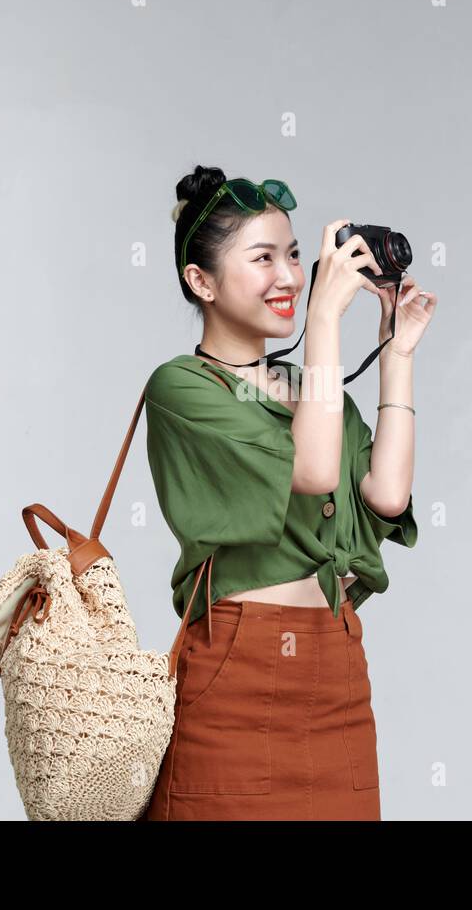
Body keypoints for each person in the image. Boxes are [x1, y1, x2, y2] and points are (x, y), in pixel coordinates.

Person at [142, 165, 438, 820]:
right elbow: (312, 472)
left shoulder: (315, 394)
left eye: (297, 255)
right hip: (235, 680)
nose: (290, 277)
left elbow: (387, 496)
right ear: (202, 281)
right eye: (263, 258)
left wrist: (397, 355)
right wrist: (325, 320)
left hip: (335, 675)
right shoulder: (183, 388)